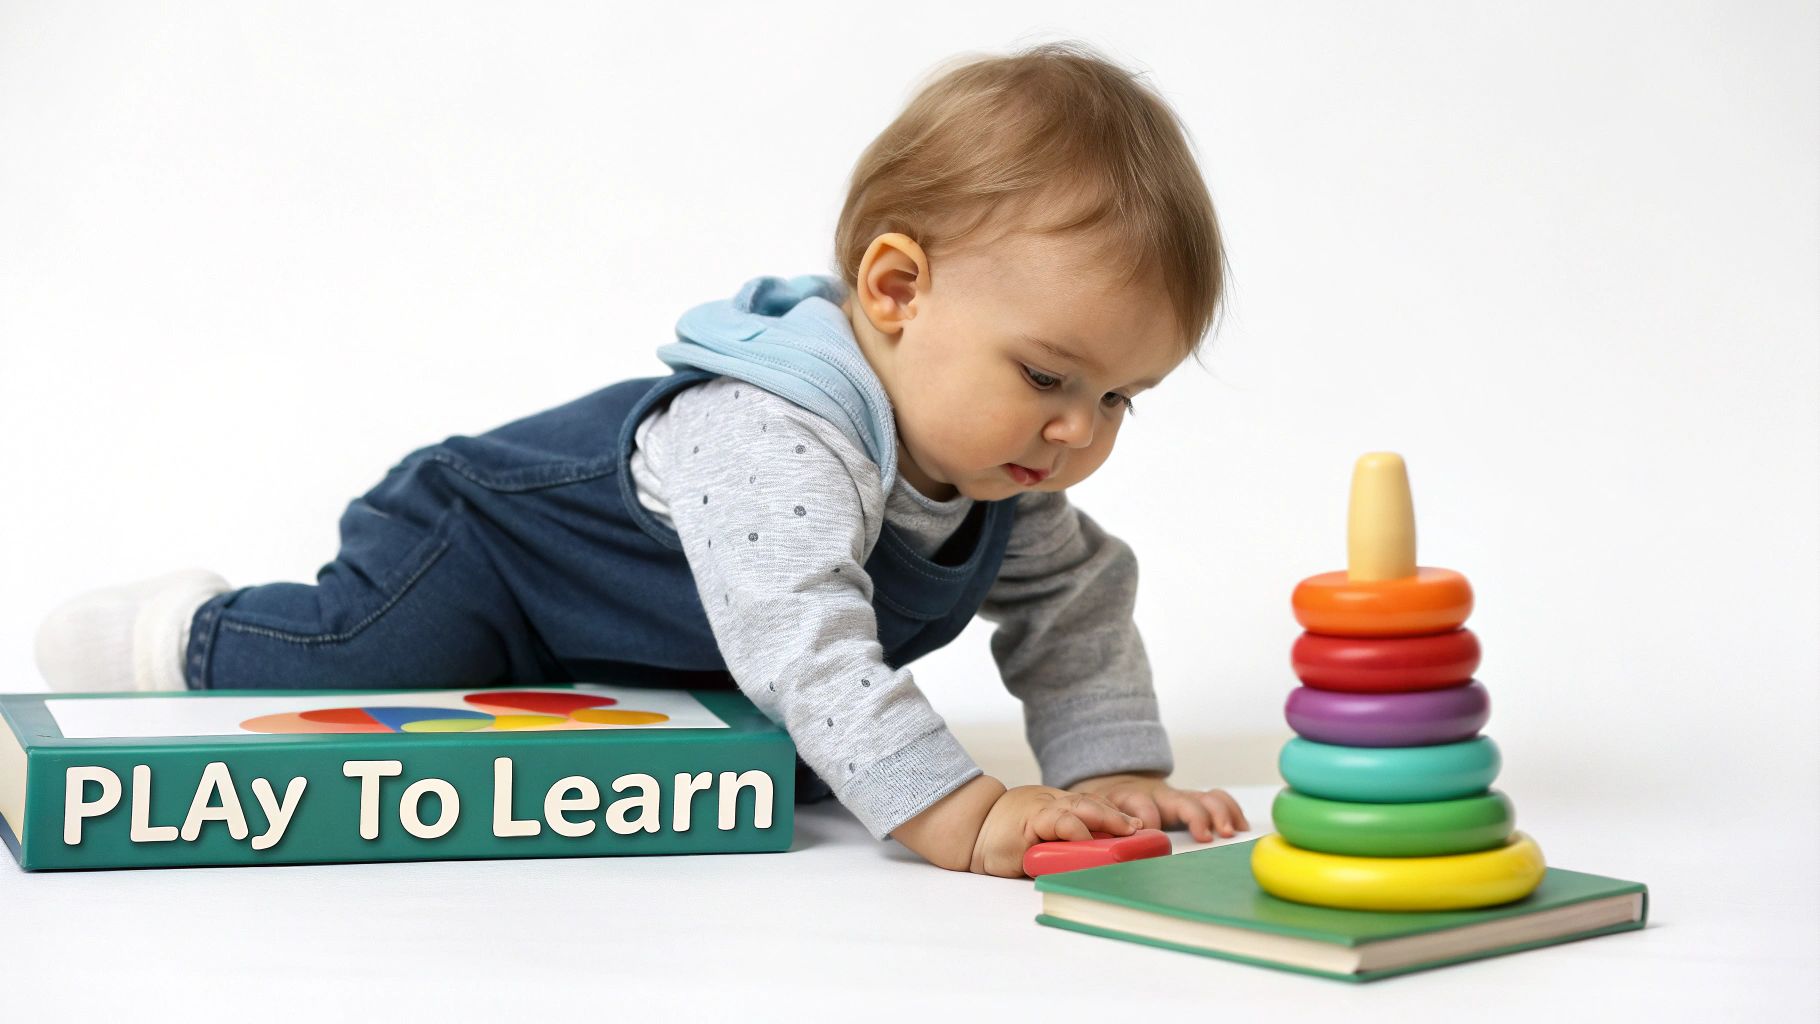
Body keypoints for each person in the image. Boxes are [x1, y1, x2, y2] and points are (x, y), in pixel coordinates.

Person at [34, 41, 1250, 877]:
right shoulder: (779, 434)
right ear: (893, 290)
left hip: (628, 648)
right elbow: (799, 635)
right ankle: (188, 637)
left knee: (778, 771)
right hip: (481, 552)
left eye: (1117, 401)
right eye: (1045, 377)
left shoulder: (1002, 479)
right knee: (382, 669)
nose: (1076, 432)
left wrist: (1118, 775)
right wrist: (958, 809)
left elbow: (1078, 603)